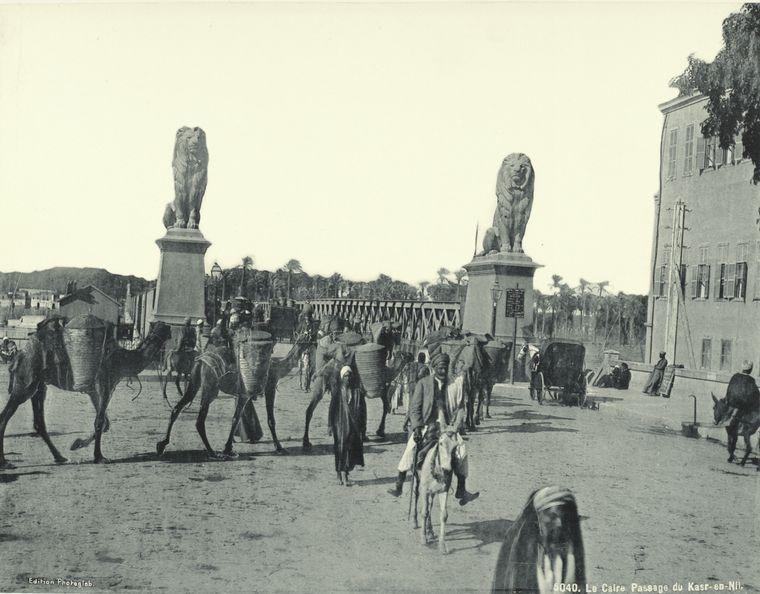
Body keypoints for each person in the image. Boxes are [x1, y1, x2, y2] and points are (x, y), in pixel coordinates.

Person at [388, 352, 478, 505]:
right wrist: (416, 427)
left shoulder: (454, 385)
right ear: (434, 367)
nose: (443, 371)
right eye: (440, 368)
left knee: (462, 451)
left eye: (445, 368)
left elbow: (461, 408)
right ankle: (399, 484)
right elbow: (415, 409)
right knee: (410, 450)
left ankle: (461, 489)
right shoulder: (423, 383)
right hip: (426, 426)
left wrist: (455, 426)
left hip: (447, 429)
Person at [329, 365, 365, 485]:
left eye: (349, 376)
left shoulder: (356, 392)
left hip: (353, 426)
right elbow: (332, 409)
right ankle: (342, 475)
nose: (348, 378)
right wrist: (330, 425)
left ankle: (343, 473)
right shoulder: (338, 391)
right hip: (340, 425)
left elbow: (363, 410)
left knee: (349, 450)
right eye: (345, 376)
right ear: (342, 377)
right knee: (340, 449)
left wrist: (363, 425)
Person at [724, 361, 760, 433]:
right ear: (750, 370)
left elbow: (729, 388)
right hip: (742, 403)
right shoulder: (750, 380)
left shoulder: (735, 376)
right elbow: (754, 392)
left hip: (731, 401)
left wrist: (727, 399)